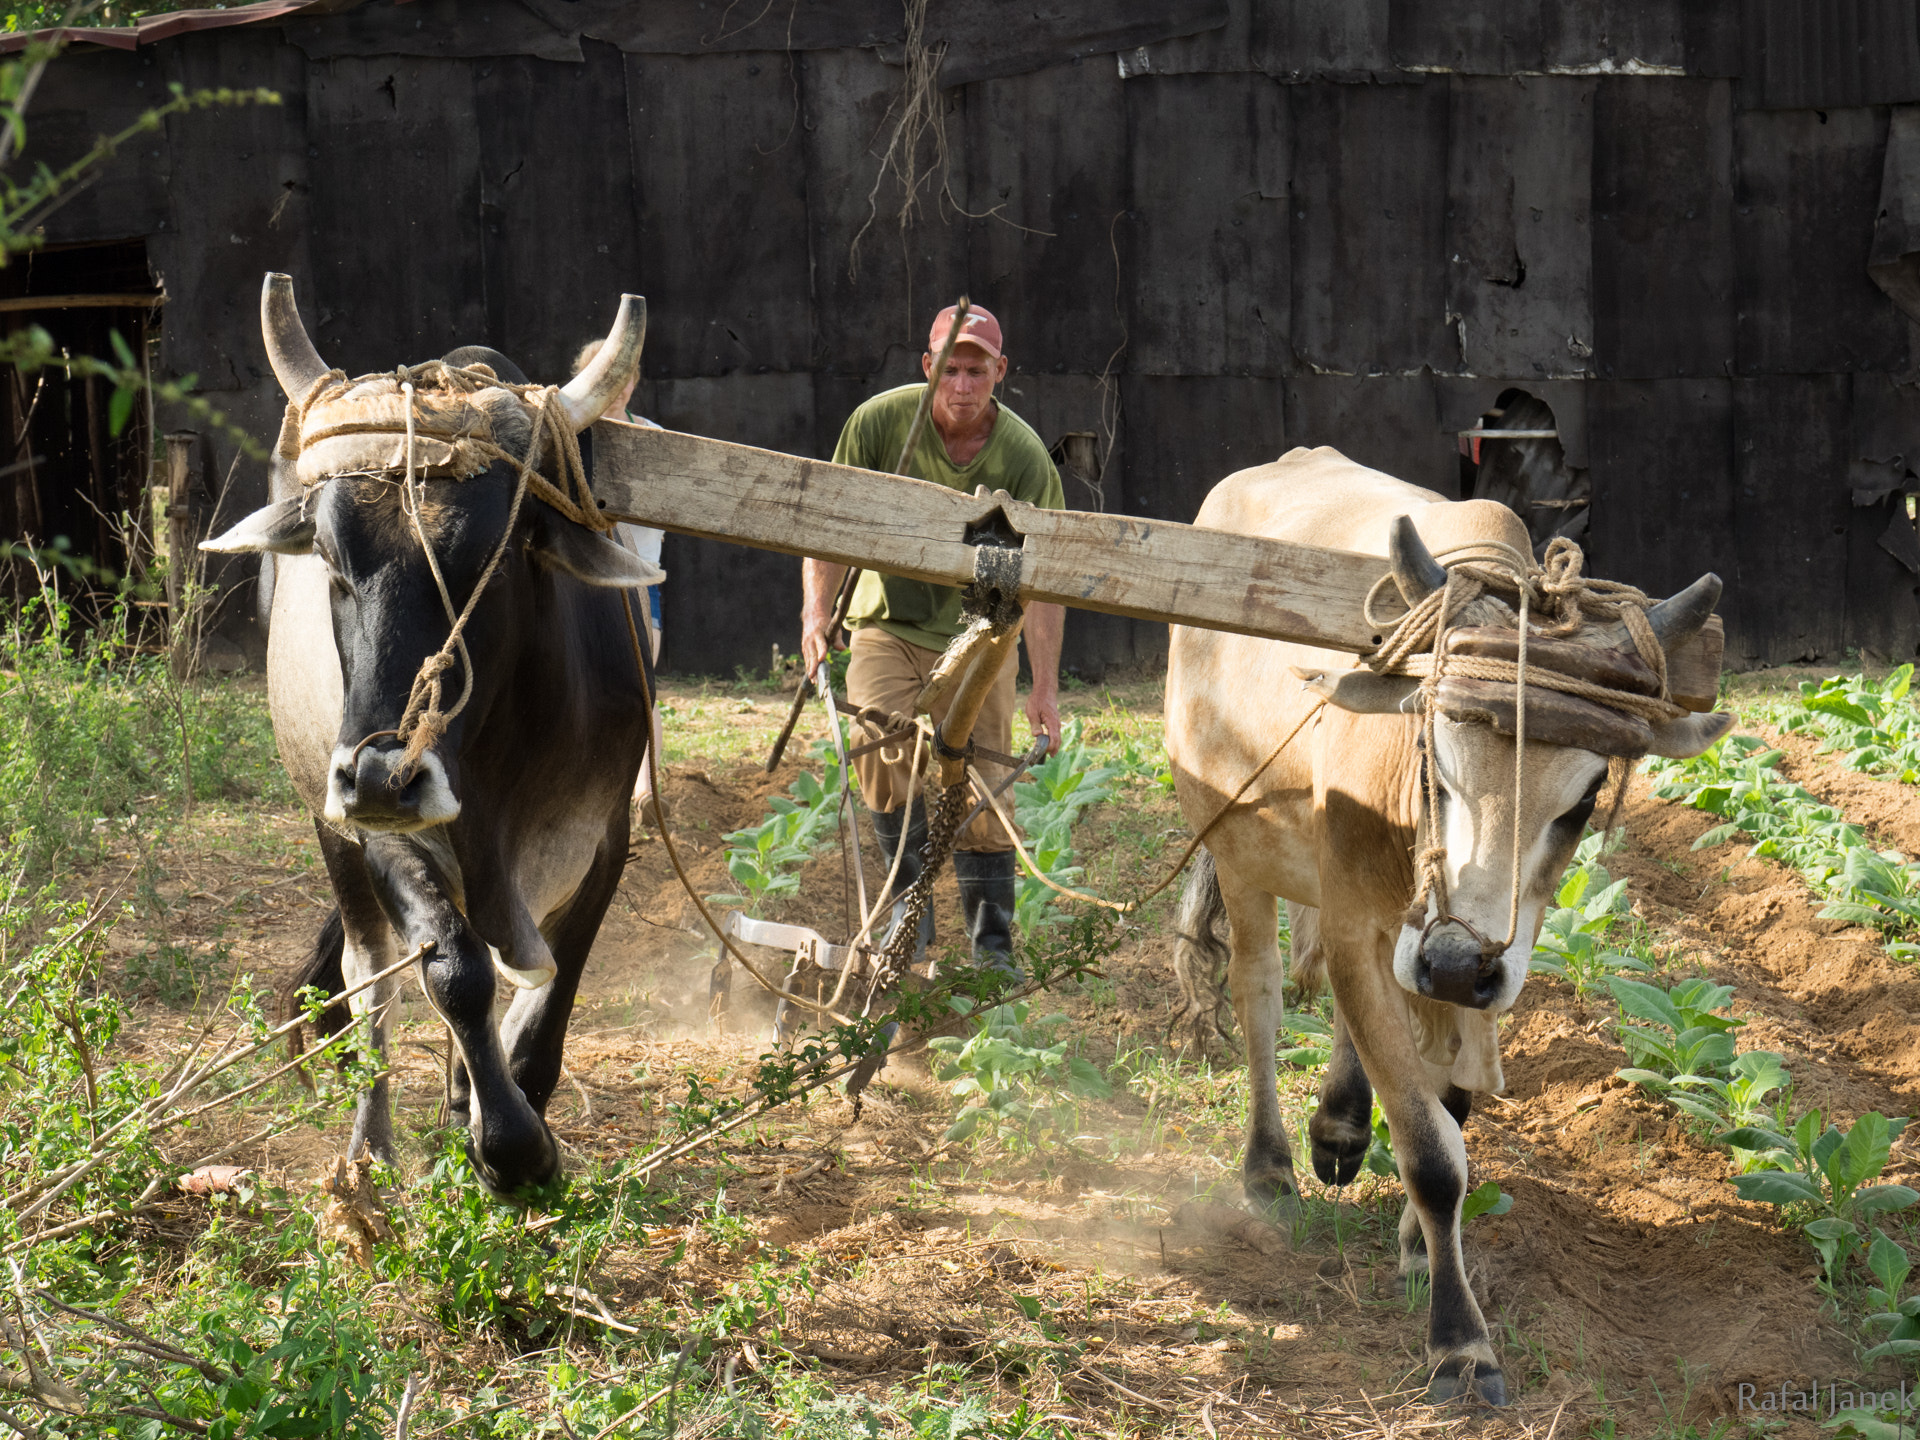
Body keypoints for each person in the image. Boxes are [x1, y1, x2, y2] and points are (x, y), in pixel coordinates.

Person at [800, 304, 1065, 976]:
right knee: (879, 746)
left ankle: (993, 947)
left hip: (983, 632)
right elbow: (827, 525)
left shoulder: (1026, 458)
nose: (964, 383)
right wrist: (815, 617)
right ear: (929, 368)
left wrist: (1043, 685)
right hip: (888, 621)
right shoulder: (880, 424)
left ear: (1000, 373)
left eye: (977, 368)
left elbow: (1046, 577)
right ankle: (906, 917)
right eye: (951, 367)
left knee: (981, 774)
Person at [570, 340, 667, 822]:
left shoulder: (653, 437)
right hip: (578, 579)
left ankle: (645, 790)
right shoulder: (570, 432)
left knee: (639, 686)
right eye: (609, 376)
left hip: (637, 581)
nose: (620, 386)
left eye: (627, 376)